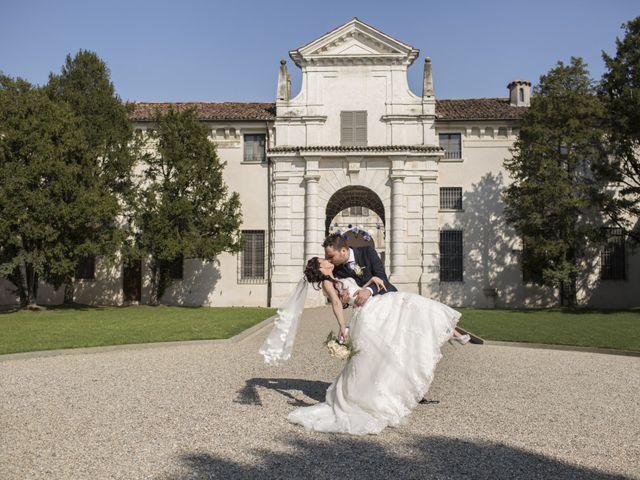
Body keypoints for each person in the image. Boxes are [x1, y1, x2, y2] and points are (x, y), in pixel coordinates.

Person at [274, 256, 462, 435]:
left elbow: (356, 292)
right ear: (321, 268)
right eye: (323, 260)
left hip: (373, 306)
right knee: (387, 340)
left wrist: (370, 281)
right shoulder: (327, 283)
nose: (327, 260)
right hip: (367, 315)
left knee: (406, 313)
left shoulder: (338, 277)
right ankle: (373, 398)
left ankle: (446, 332)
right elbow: (337, 304)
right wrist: (341, 326)